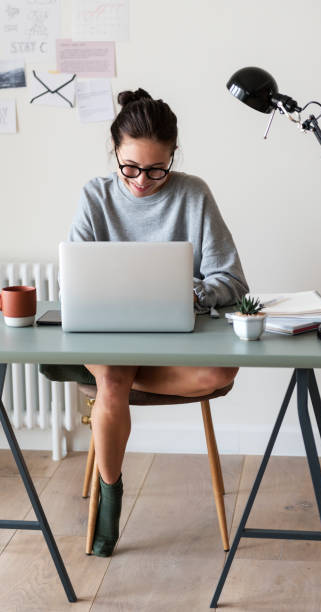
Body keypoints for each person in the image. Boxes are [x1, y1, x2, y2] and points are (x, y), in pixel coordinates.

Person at [68, 88, 249, 556]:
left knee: (218, 374)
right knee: (112, 377)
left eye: (156, 168)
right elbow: (76, 280)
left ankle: (114, 383)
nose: (142, 180)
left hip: (174, 334)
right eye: (130, 167)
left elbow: (231, 279)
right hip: (108, 331)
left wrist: (190, 292)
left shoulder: (193, 193)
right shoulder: (95, 196)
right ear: (115, 151)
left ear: (173, 155)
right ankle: (111, 498)